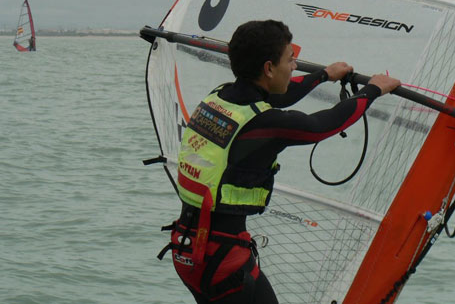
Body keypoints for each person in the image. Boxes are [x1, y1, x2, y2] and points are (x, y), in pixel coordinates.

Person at [162, 20, 400, 303]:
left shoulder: (221, 96)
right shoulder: (263, 123)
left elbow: (279, 95)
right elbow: (321, 125)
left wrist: (324, 75)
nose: (296, 66)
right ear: (268, 68)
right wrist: (373, 90)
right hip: (221, 260)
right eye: (290, 59)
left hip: (188, 248)